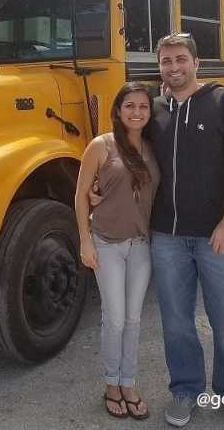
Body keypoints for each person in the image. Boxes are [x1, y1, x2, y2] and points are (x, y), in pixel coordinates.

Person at [91, 34, 224, 428]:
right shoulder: (157, 110)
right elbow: (129, 150)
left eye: (181, 59)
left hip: (217, 235)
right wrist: (99, 186)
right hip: (166, 237)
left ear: (196, 62)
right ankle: (184, 391)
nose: (173, 67)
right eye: (166, 61)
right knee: (177, 322)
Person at [74, 82, 161, 421]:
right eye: (130, 106)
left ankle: (128, 382)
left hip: (141, 245)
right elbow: (81, 195)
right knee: (114, 318)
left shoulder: (153, 147)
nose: (137, 112)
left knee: (134, 319)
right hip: (107, 243)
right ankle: (111, 384)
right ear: (118, 110)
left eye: (143, 106)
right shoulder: (101, 145)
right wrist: (85, 241)